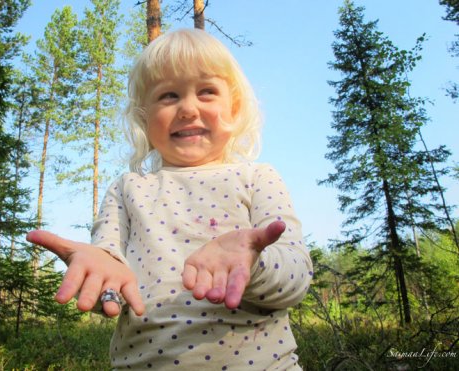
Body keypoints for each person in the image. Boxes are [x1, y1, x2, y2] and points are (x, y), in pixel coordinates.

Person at [27, 28, 313, 370]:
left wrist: (253, 265)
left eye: (207, 92)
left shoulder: (257, 178)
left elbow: (296, 276)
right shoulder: (127, 189)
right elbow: (109, 262)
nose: (188, 108)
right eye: (168, 96)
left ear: (234, 109)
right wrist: (105, 277)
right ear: (144, 118)